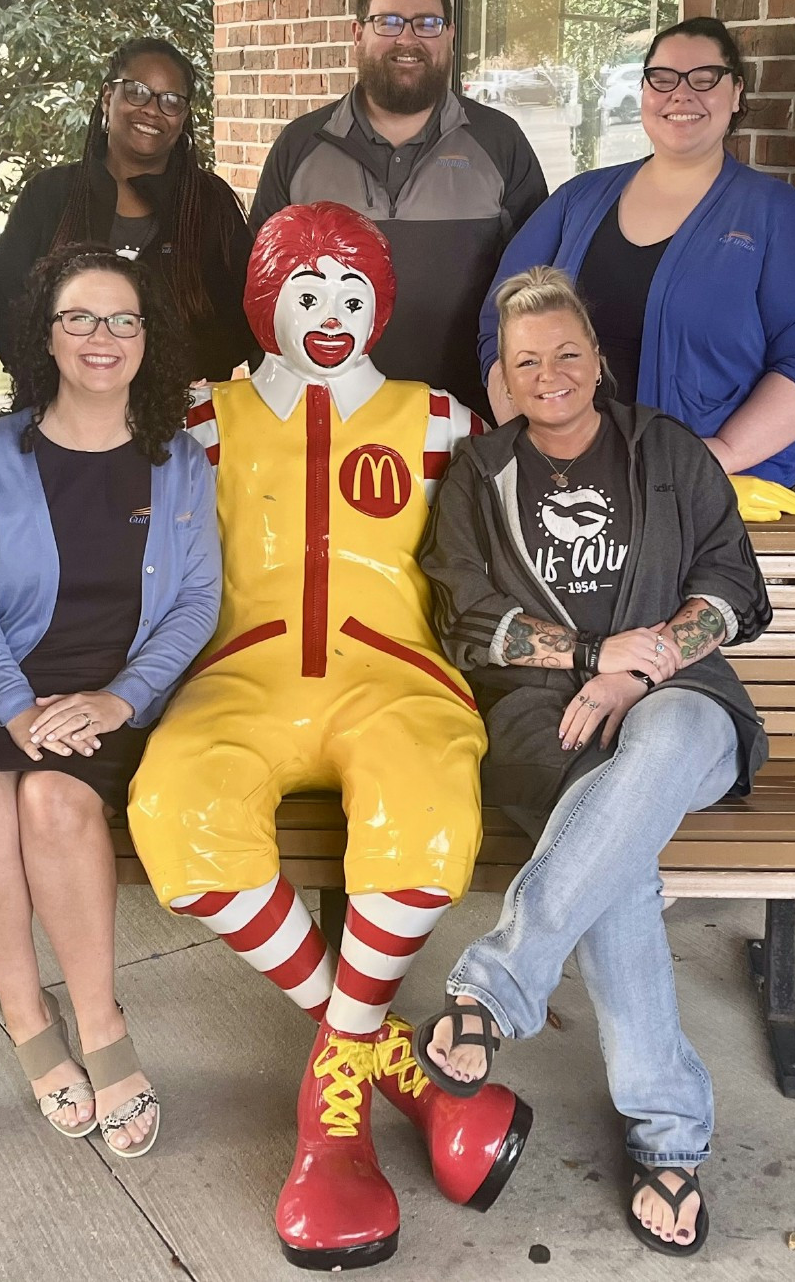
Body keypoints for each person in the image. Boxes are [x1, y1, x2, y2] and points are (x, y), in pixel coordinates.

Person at [129, 202, 531, 1271]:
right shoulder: (201, 418)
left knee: (427, 797)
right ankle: (391, 1060)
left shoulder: (440, 419)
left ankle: (333, 1114)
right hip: (241, 676)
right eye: (307, 290)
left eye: (354, 293)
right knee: (176, 805)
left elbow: (525, 530)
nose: (330, 312)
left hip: (393, 676)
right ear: (267, 301)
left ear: (381, 307)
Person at [415, 267, 772, 1256]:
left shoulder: (667, 452)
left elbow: (732, 584)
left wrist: (641, 665)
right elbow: (469, 621)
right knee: (614, 862)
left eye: (568, 351)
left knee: (652, 748)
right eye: (528, 360)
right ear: (504, 376)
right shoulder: (482, 476)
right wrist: (586, 658)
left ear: (598, 358)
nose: (551, 373)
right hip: (542, 720)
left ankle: (493, 986)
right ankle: (670, 1135)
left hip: (684, 703)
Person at [0, 246, 220, 1160]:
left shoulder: (178, 458)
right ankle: (27, 1019)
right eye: (81, 319)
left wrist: (119, 698)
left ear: (147, 338)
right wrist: (16, 707)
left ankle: (100, 1025)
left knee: (53, 801)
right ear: (45, 336)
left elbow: (194, 603)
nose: (104, 338)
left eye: (123, 320)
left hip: (115, 690)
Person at [478, 16, 795, 521]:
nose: (681, 95)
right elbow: (500, 321)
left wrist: (718, 454)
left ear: (736, 92)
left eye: (704, 77)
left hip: (709, 501)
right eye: (663, 78)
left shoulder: (777, 216)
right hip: (573, 496)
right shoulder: (580, 199)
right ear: (643, 90)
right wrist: (527, 438)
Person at [250, 0, 547, 419]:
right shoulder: (300, 147)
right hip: (325, 421)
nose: (408, 40)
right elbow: (262, 290)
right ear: (357, 33)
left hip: (469, 422)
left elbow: (536, 287)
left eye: (427, 23)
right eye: (388, 22)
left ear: (448, 35)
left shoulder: (499, 142)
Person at [0, 38, 258, 381]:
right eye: (136, 91)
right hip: (64, 416)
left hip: (185, 422)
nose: (152, 109)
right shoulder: (50, 195)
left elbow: (245, 315)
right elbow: (6, 307)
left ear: (184, 117)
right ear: (107, 98)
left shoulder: (210, 204)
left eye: (171, 100)